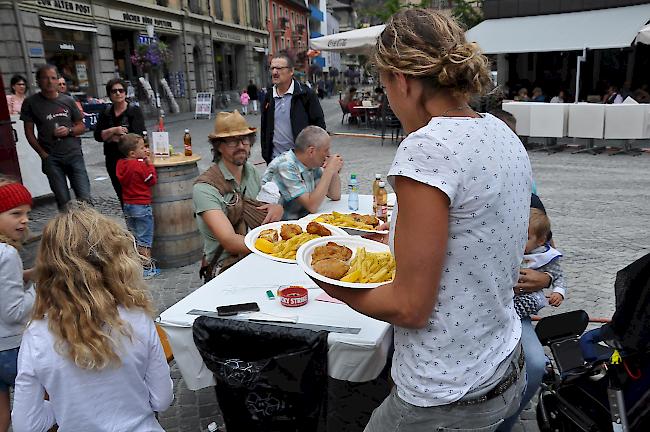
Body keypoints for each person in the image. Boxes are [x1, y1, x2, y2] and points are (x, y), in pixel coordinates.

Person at [313, 9, 531, 431]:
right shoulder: (499, 131)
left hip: (444, 394)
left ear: (403, 81)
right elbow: (470, 243)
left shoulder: (429, 148)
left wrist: (327, 281)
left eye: (384, 85)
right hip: (502, 364)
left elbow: (409, 308)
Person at [11, 204, 173, 431]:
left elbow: (26, 424)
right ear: (113, 260)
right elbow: (162, 400)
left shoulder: (36, 334)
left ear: (48, 268)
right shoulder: (136, 317)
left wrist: (63, 407)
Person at [193, 111, 284, 281]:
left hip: (254, 259)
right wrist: (279, 248)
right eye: (233, 141)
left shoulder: (251, 172)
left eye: (245, 140)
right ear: (219, 146)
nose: (241, 146)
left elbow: (259, 208)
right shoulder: (204, 188)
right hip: (226, 268)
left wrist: (276, 207)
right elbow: (228, 240)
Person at [499, 205, 566, 432]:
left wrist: (547, 280)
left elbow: (553, 264)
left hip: (516, 311)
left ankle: (504, 426)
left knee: (536, 365)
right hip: (482, 308)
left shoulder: (529, 198)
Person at [21, 64, 91, 210]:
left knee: (85, 199)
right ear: (38, 81)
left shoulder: (68, 100)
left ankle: (90, 230)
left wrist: (69, 131)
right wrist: (42, 154)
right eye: (45, 78)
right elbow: (28, 132)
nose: (50, 81)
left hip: (73, 154)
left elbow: (82, 126)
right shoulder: (31, 103)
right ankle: (68, 231)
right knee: (63, 202)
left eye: (53, 78)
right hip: (51, 158)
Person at [0, 178, 34, 432]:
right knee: (39, 403)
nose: (24, 220)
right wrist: (39, 291)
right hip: (11, 349)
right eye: (15, 213)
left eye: (27, 213)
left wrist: (26, 274)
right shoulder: (7, 254)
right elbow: (13, 312)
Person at [261, 126, 343, 220]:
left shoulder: (311, 163)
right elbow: (312, 206)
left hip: (302, 221)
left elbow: (335, 195)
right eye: (326, 150)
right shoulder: (285, 166)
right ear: (311, 151)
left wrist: (333, 170)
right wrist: (329, 171)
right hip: (281, 226)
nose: (329, 154)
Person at [260, 52, 326, 163]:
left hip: (301, 159)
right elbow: (264, 128)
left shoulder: (305, 94)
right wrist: (266, 154)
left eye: (279, 68)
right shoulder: (269, 96)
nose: (275, 72)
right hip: (276, 159)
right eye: (272, 68)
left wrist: (317, 154)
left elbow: (319, 126)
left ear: (291, 71)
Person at [94, 78, 146, 206]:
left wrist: (113, 138)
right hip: (112, 160)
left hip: (130, 160)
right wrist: (114, 130)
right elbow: (97, 135)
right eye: (114, 91)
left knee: (133, 194)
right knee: (121, 194)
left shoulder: (133, 111)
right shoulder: (106, 112)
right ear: (109, 94)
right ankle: (129, 222)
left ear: (125, 93)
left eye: (121, 90)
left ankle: (135, 222)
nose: (118, 93)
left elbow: (139, 136)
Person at [116, 133, 160, 279]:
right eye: (142, 147)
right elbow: (151, 180)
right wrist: (150, 164)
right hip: (141, 205)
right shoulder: (139, 165)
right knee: (145, 240)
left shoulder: (120, 164)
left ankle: (136, 266)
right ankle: (147, 268)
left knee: (134, 237)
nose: (145, 149)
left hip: (128, 205)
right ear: (132, 153)